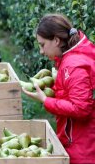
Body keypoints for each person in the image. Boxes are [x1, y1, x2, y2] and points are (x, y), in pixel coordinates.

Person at [22, 13, 95, 164]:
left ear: (56, 40)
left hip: (83, 147)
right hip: (80, 140)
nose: (41, 51)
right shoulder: (69, 59)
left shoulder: (73, 66)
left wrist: (46, 100)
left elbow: (81, 108)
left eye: (42, 45)